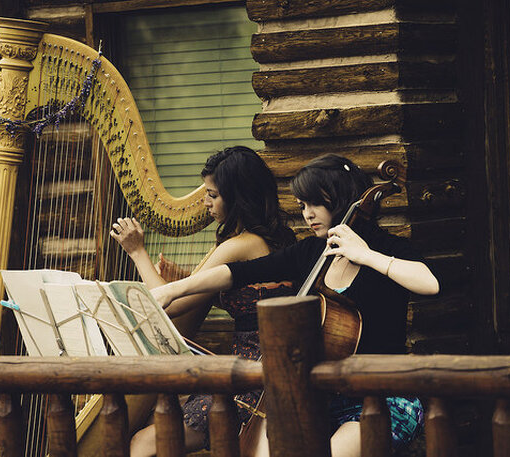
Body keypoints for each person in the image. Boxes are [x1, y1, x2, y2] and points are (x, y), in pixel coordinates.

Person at [151, 154, 440, 457]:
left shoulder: (387, 248)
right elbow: (237, 273)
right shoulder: (311, 251)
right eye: (302, 205)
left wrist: (366, 255)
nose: (307, 214)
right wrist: (174, 290)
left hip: (381, 399)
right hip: (319, 400)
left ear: (340, 197)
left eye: (315, 203)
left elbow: (429, 283)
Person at [110, 146, 295, 456]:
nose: (205, 202)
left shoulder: (240, 244)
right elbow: (252, 299)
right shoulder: (276, 239)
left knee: (144, 444)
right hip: (255, 377)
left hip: (255, 387)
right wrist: (183, 276)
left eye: (213, 195)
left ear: (237, 198)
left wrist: (136, 252)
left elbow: (170, 306)